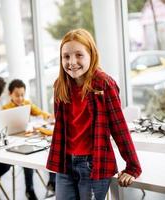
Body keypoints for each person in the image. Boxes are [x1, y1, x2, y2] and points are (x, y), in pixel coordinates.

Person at [46, 28, 142, 200]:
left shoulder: (104, 84)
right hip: (65, 162)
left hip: (94, 164)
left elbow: (119, 128)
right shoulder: (59, 85)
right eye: (66, 56)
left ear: (91, 54)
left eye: (79, 55)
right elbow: (61, 128)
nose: (72, 62)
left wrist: (133, 166)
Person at [2, 79, 56, 200]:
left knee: (50, 150)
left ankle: (53, 182)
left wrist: (48, 116)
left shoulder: (27, 103)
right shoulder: (5, 108)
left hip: (27, 136)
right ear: (10, 94)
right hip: (13, 140)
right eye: (17, 95)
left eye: (22, 95)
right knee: (27, 159)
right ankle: (29, 189)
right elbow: (3, 128)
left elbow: (40, 112)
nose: (20, 98)